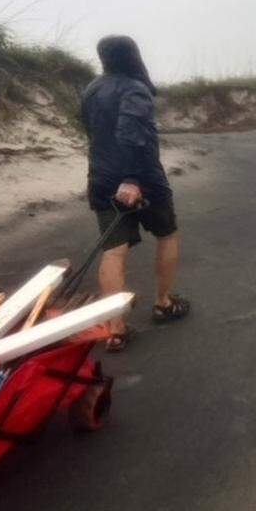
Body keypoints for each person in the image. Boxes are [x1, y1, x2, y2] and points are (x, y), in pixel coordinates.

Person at [81, 35, 191, 352]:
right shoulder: (134, 88)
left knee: (114, 250)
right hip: (141, 179)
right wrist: (131, 178)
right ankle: (163, 303)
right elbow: (131, 134)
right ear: (133, 55)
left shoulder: (92, 89)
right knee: (167, 234)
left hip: (101, 178)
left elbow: (93, 132)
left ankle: (116, 328)